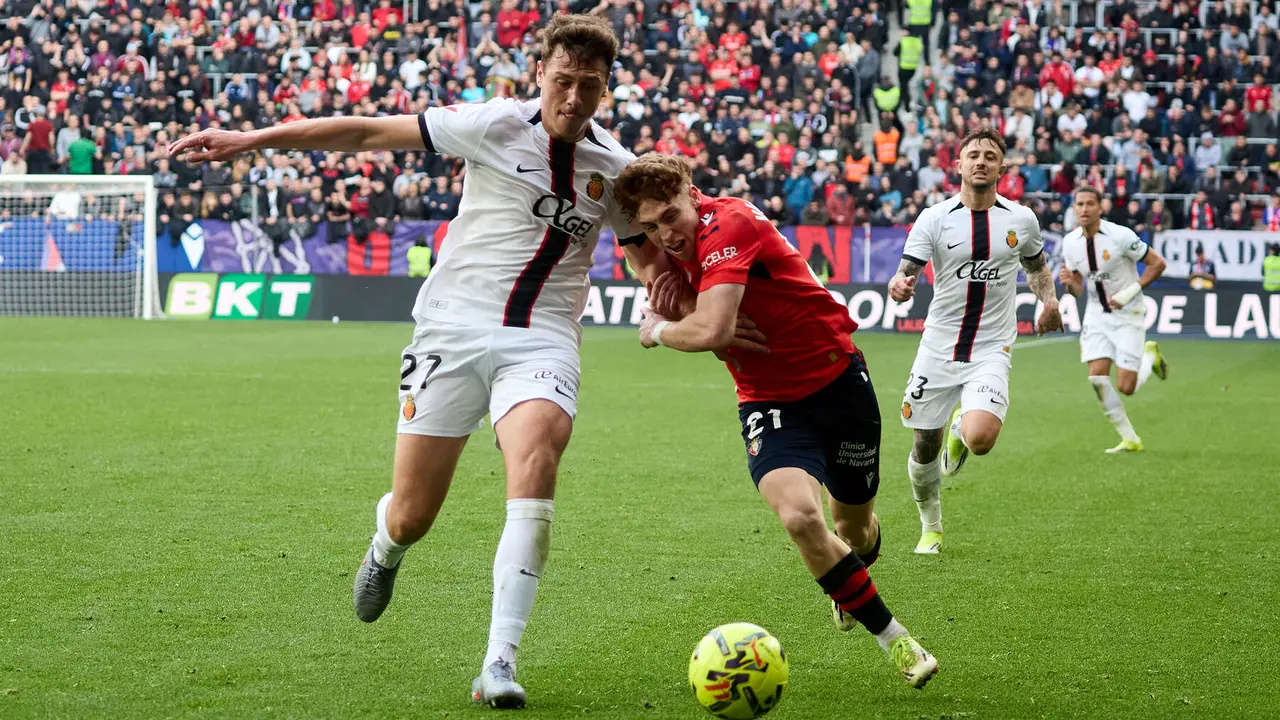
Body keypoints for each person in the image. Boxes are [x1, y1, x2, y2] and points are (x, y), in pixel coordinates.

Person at [168, 14, 695, 709]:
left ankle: (498, 663)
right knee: (415, 513)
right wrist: (253, 139)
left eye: (589, 87)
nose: (573, 98)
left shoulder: (616, 170)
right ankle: (386, 546)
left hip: (541, 337)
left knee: (536, 458)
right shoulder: (492, 126)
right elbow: (364, 131)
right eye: (563, 81)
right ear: (539, 74)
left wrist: (666, 287)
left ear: (606, 89)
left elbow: (642, 250)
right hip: (451, 327)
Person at [613, 153, 940, 689]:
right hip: (766, 400)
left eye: (669, 216)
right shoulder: (667, 240)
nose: (665, 235)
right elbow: (648, 267)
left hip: (838, 383)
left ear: (693, 194)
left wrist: (656, 329)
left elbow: (714, 331)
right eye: (650, 226)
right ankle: (898, 640)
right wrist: (672, 297)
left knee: (854, 530)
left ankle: (852, 574)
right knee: (799, 519)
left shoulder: (730, 222)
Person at [887, 128, 1063, 555]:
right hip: (938, 347)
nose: (981, 161)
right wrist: (899, 284)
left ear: (1002, 168)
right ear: (959, 165)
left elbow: (1037, 268)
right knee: (923, 442)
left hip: (990, 347)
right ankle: (931, 526)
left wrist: (1050, 301)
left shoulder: (1020, 220)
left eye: (990, 155)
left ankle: (964, 430)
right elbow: (906, 270)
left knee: (980, 439)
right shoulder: (934, 218)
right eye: (973, 155)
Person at [1058, 187, 1169, 453]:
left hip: (1128, 313)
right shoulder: (1070, 242)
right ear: (1074, 209)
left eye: (1089, 204)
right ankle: (1130, 438)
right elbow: (1079, 288)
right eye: (1079, 204)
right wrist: (1068, 284)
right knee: (1097, 378)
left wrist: (1129, 292)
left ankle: (1149, 356)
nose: (1084, 209)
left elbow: (1158, 263)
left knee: (1126, 387)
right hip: (1096, 314)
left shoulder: (1121, 236)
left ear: (1100, 208)